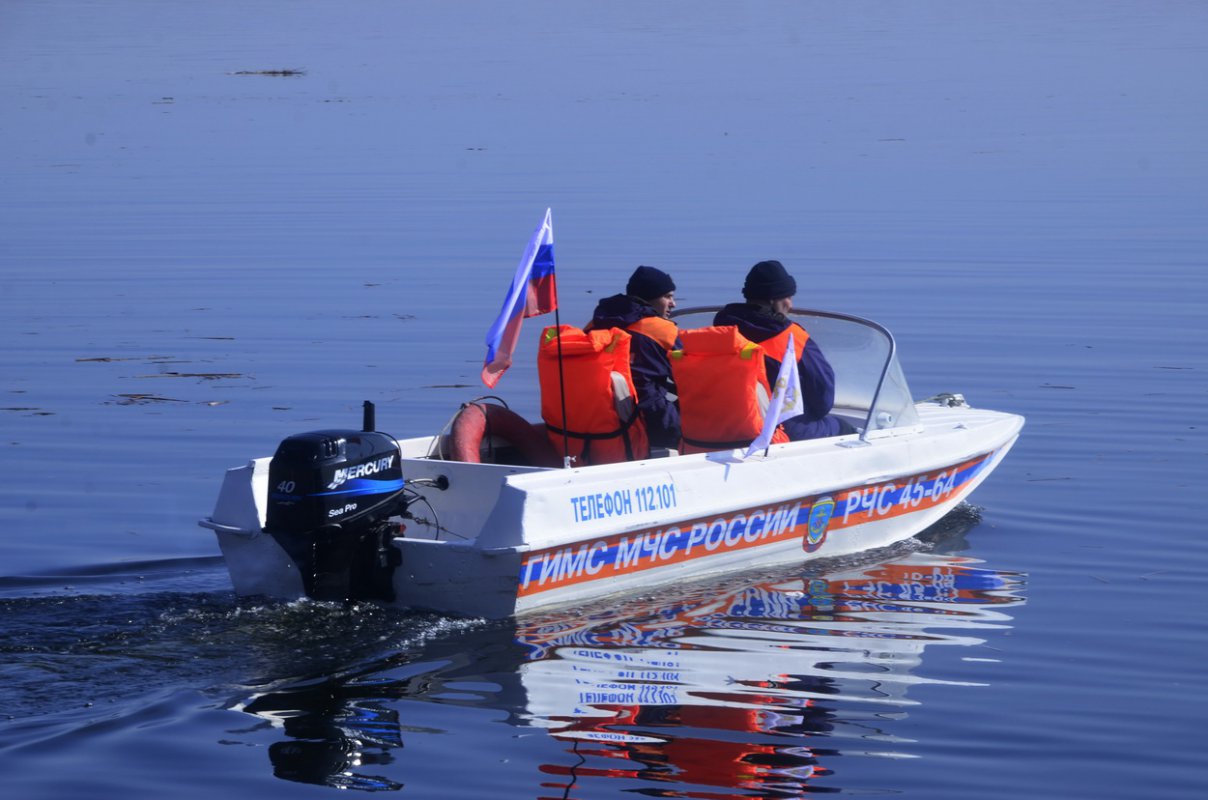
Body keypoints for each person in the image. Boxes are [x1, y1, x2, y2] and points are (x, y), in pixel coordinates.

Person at [713, 260, 851, 440]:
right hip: (778, 429)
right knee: (842, 427)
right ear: (773, 300)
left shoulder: (720, 332)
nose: (790, 305)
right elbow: (823, 400)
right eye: (788, 297)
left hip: (721, 423)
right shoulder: (792, 338)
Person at [586, 266, 682, 449]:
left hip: (599, 416)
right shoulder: (662, 330)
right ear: (651, 296)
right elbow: (693, 377)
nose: (673, 304)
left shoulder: (594, 325)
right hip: (652, 419)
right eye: (668, 296)